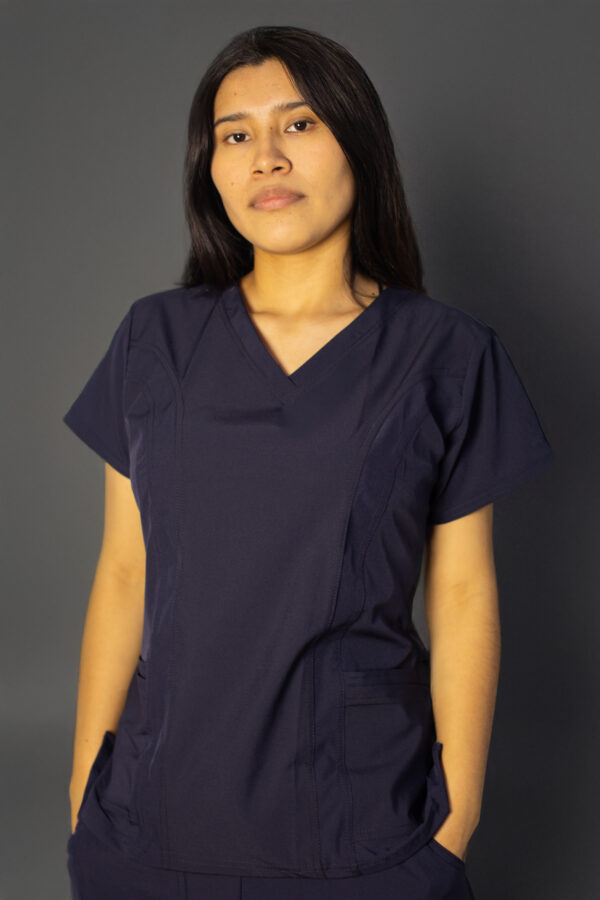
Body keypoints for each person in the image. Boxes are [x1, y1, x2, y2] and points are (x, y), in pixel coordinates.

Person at [62, 24, 554, 900]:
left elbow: (463, 593)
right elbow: (125, 572)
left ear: (358, 144)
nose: (267, 157)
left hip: (364, 823)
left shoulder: (444, 353)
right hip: (153, 817)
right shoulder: (154, 339)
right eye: (236, 135)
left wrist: (458, 817)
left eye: (299, 124)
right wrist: (82, 794)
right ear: (210, 170)